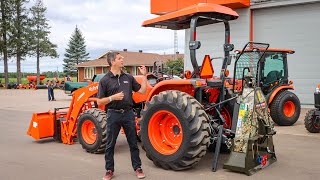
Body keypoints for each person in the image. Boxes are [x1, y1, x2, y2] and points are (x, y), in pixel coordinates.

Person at [97, 51, 147, 180]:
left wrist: (144, 76)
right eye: (120, 58)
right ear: (113, 61)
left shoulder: (128, 78)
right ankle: (109, 170)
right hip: (113, 115)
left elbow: (142, 91)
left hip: (128, 114)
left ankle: (138, 168)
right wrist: (112, 98)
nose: (122, 59)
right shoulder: (105, 80)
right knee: (110, 144)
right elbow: (99, 101)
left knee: (133, 144)